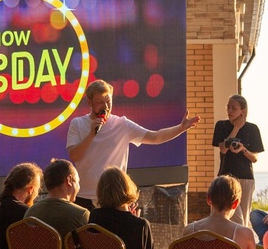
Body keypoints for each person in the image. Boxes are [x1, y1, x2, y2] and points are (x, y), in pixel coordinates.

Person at [66, 79, 200, 210]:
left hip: (114, 198)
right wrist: (91, 134)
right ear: (89, 102)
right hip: (84, 197)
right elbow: (74, 155)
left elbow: (155, 137)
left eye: (108, 102)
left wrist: (180, 128)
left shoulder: (122, 124)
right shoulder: (78, 124)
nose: (105, 107)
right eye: (100, 102)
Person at [211, 94, 265, 221]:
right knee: (224, 215)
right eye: (228, 107)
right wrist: (236, 128)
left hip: (245, 178)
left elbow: (255, 158)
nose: (229, 111)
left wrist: (243, 150)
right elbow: (223, 149)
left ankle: (241, 235)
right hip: (225, 177)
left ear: (243, 111)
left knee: (243, 218)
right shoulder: (221, 125)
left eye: (233, 108)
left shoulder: (252, 129)